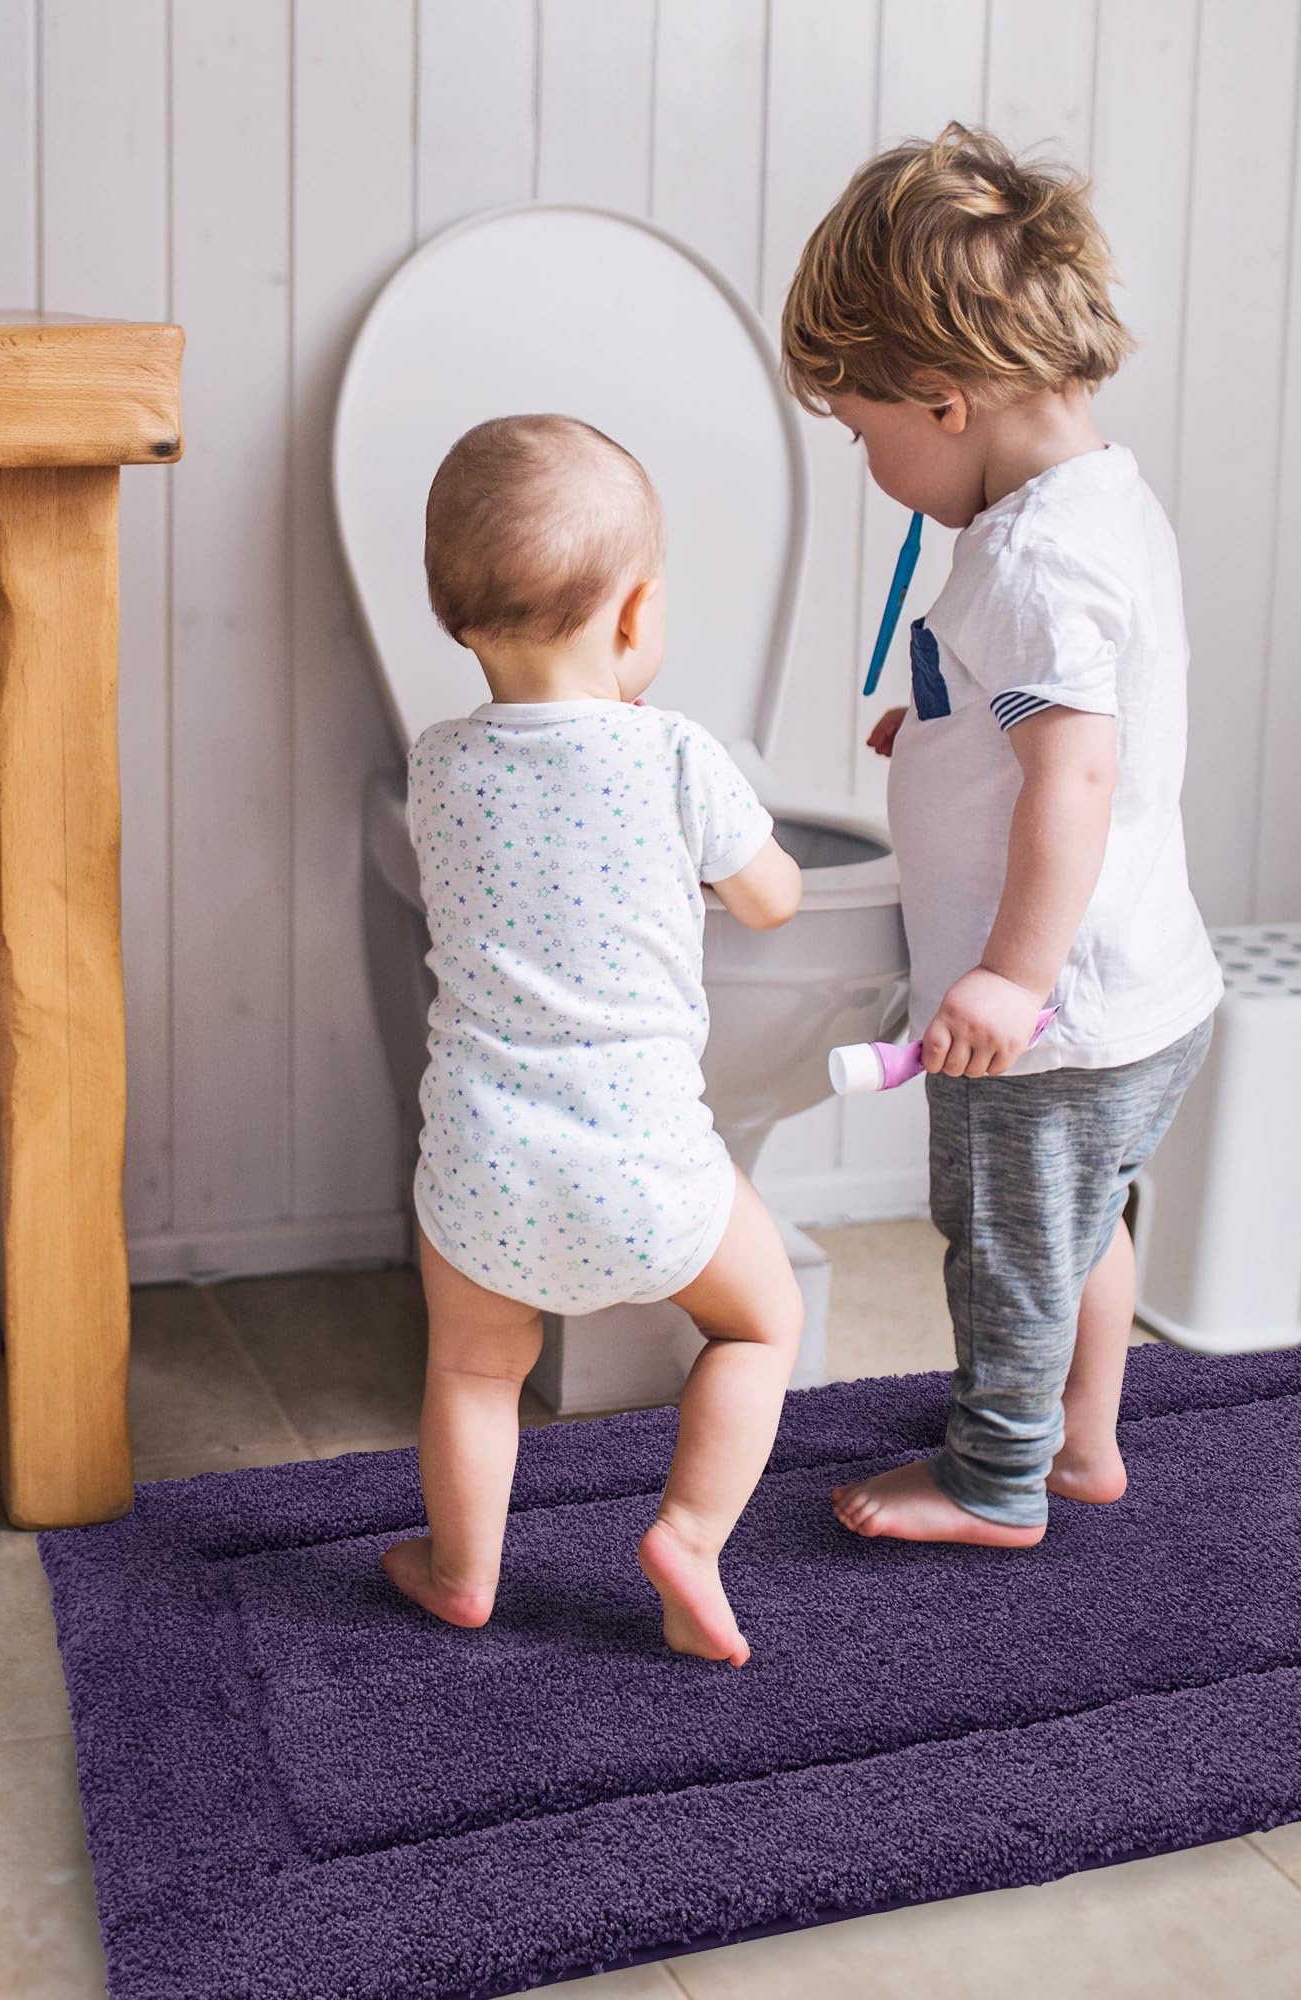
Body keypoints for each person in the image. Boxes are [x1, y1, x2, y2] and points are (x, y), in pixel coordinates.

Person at [781, 124, 1224, 1547]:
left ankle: (997, 1479)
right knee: (1078, 1227)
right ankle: (1081, 1442)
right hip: (1141, 988)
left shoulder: (1031, 560)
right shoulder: (1091, 502)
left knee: (1012, 1252)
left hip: (1052, 1010)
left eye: (864, 434)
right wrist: (944, 724)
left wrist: (1009, 979)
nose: (870, 463)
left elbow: (1075, 778)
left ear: (945, 400)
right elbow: (1072, 722)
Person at [382, 413, 803, 1664]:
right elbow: (775, 896)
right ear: (634, 618)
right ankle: (685, 1531)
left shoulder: (438, 764)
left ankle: (462, 1571)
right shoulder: (675, 753)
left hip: (482, 1168)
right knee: (756, 1322)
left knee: (470, 1371)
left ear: (457, 618)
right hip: (645, 1162)